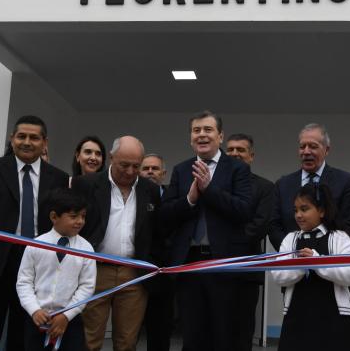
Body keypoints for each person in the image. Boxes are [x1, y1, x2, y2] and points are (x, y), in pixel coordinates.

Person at [0, 115, 71, 351]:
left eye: (34, 138)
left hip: (37, 264)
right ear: (12, 139)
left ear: (44, 142)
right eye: (21, 136)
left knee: (23, 335)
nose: (27, 142)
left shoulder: (57, 177)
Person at [159, 110, 252, 351]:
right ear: (190, 138)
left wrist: (209, 190)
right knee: (192, 335)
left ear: (220, 136)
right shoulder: (181, 170)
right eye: (196, 130)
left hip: (223, 265)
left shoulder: (237, 169)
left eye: (208, 130)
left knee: (223, 334)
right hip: (188, 265)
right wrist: (189, 200)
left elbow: (243, 210)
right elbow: (165, 215)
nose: (202, 135)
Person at [76, 136, 161, 351]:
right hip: (95, 271)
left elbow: (156, 229)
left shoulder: (149, 190)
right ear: (112, 158)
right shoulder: (88, 184)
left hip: (134, 273)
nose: (131, 172)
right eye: (124, 165)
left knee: (127, 341)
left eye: (136, 166)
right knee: (89, 338)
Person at [271, 184, 350, 351]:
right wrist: (301, 266)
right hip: (297, 316)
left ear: (322, 211)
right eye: (295, 210)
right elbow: (278, 275)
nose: (298, 215)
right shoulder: (290, 239)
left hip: (334, 318)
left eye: (304, 209)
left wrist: (317, 261)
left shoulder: (340, 238)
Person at [16, 188, 96, 351]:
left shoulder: (86, 248)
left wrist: (66, 315)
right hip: (37, 318)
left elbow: (87, 286)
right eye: (73, 216)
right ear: (54, 217)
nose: (80, 221)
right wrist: (34, 310)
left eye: (83, 216)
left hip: (70, 321)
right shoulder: (36, 244)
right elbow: (24, 282)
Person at [269, 123, 350, 251]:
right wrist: (292, 253)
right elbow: (274, 226)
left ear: (327, 150)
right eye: (302, 147)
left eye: (313, 146)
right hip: (292, 261)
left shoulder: (345, 181)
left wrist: (320, 258)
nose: (306, 152)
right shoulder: (283, 184)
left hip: (329, 262)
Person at [225, 133, 275, 351]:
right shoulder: (211, 185)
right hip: (212, 271)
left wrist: (222, 244)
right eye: (231, 150)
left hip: (245, 273)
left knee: (241, 331)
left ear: (251, 156)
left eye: (241, 150)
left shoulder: (265, 187)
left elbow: (260, 225)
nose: (235, 153)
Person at [139, 153, 174, 351]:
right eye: (145, 168)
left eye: (155, 168)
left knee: (160, 328)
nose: (150, 172)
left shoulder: (173, 196)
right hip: (135, 269)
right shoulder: (131, 195)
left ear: (163, 173)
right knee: (129, 331)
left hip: (164, 271)